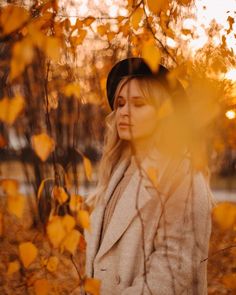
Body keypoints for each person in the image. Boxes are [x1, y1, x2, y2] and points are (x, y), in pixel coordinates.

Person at [84, 57, 214, 295]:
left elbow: (168, 277)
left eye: (138, 104)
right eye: (120, 103)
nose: (124, 112)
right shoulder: (117, 170)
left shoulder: (183, 177)